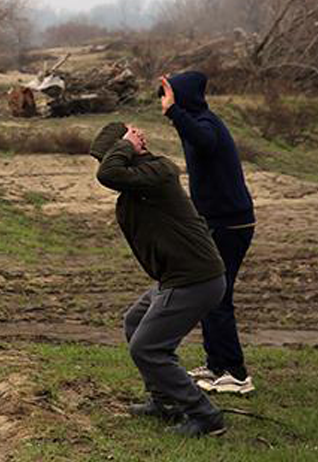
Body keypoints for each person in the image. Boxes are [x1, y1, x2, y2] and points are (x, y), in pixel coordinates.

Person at [92, 121, 228, 437]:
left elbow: (108, 173)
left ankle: (206, 416)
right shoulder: (140, 183)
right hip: (177, 278)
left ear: (127, 152)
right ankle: (165, 401)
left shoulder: (159, 173)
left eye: (106, 156)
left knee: (148, 348)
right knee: (134, 322)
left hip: (195, 279)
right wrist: (125, 148)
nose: (102, 165)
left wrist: (125, 144)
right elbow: (111, 173)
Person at [161, 71, 256, 395]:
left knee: (217, 296)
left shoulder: (206, 124)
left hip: (230, 223)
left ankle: (236, 372)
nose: (164, 101)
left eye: (169, 94)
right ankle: (216, 365)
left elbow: (205, 140)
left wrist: (174, 111)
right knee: (211, 295)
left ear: (182, 97)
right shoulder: (197, 121)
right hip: (221, 221)